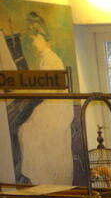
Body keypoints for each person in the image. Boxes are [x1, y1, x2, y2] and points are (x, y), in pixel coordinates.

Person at [17, 11, 77, 185]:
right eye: (32, 39)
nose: (33, 43)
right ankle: (36, 174)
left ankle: (42, 176)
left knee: (28, 131)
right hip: (52, 103)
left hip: (57, 106)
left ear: (42, 38)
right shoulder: (44, 58)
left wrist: (29, 91)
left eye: (35, 38)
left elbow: (52, 89)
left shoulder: (51, 59)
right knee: (26, 130)